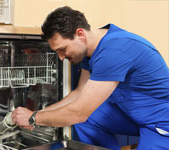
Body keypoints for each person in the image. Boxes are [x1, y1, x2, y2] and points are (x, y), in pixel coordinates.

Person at [12, 6, 169, 149]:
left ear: (80, 34)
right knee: (87, 120)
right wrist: (35, 114)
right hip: (131, 113)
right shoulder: (90, 50)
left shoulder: (115, 50)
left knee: (81, 116)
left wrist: (33, 119)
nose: (60, 57)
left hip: (161, 122)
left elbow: (79, 112)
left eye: (62, 49)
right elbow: (79, 93)